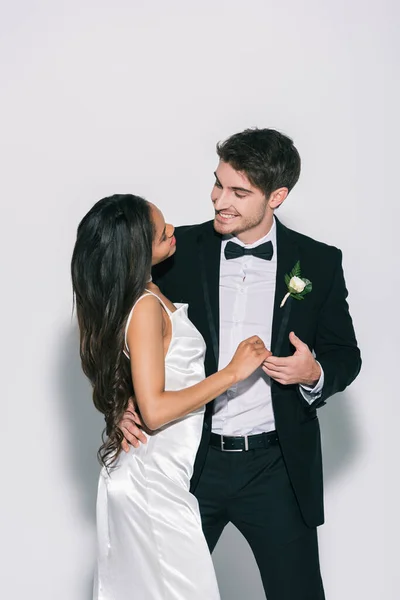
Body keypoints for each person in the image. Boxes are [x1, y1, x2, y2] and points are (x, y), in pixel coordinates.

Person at [121, 128, 362, 600]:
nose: (218, 200)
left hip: (276, 467)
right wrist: (124, 400)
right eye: (217, 184)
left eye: (237, 192)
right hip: (187, 460)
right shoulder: (175, 249)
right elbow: (123, 318)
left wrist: (313, 374)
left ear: (277, 196)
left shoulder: (319, 262)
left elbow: (345, 356)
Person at [71, 194, 270, 600]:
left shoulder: (148, 291)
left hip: (159, 477)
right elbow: (156, 410)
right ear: (135, 251)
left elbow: (148, 385)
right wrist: (232, 373)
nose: (173, 232)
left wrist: (126, 402)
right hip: (151, 482)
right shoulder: (144, 306)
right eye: (162, 234)